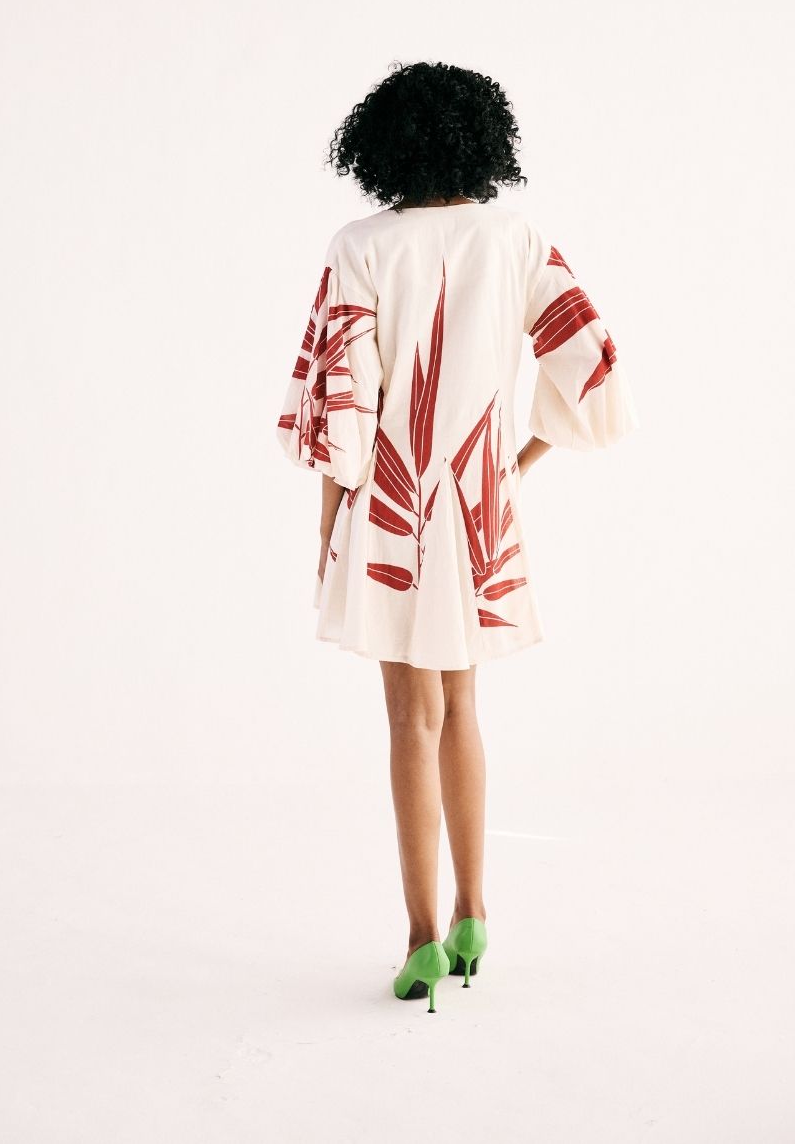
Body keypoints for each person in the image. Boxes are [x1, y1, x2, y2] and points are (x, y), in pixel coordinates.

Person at [275, 60, 640, 1013]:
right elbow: (592, 365)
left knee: (410, 719)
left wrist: (329, 528)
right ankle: (477, 914)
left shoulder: (361, 246)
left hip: (390, 516)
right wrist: (511, 466)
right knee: (464, 707)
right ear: (484, 140)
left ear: (381, 145)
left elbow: (343, 409)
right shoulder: (517, 238)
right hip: (478, 514)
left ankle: (421, 939)